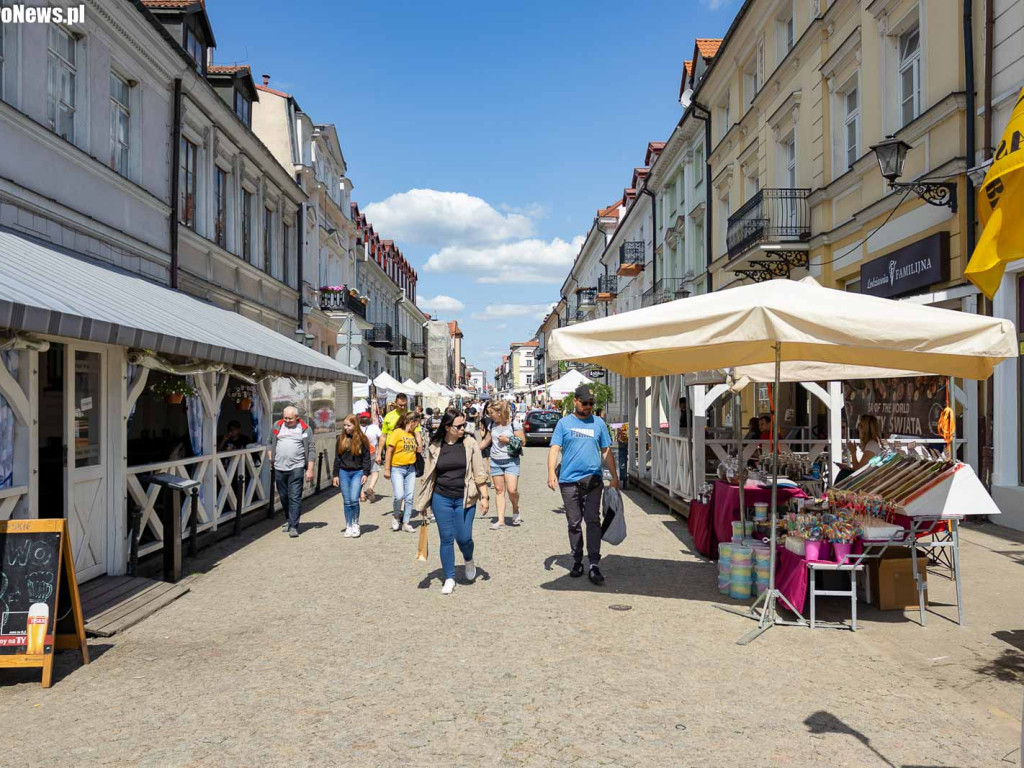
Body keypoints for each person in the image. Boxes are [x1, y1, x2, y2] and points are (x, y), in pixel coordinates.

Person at [547, 384, 619, 584]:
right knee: (573, 522)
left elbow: (605, 450)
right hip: (569, 481)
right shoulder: (564, 424)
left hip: (593, 480)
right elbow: (554, 449)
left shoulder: (599, 424)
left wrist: (614, 476)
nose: (588, 406)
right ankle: (577, 560)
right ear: (576, 401)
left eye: (591, 403)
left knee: (593, 521)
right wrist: (551, 472)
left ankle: (594, 564)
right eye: (585, 403)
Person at [414, 411, 489, 595]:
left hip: (465, 497)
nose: (463, 429)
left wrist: (485, 496)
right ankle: (449, 577)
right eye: (459, 426)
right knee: (446, 537)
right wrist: (424, 503)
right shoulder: (435, 446)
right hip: (441, 497)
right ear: (447, 427)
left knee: (464, 537)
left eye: (464, 425)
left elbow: (479, 472)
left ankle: (468, 559)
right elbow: (428, 475)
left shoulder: (470, 444)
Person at [269, 406, 315, 538]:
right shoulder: (277, 426)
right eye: (285, 418)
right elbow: (269, 442)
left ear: (297, 418)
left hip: (297, 467)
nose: (287, 421)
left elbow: (311, 449)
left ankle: (294, 525)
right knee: (284, 496)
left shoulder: (305, 428)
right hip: (279, 467)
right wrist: (270, 457)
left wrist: (310, 469)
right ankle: (289, 520)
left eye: (290, 418)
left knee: (294, 496)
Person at [482, 400, 525, 529]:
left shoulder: (513, 424)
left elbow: (523, 441)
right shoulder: (492, 425)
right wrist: (472, 449)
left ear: (500, 412)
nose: (490, 416)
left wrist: (508, 440)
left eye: (492, 413)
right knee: (499, 490)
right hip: (495, 461)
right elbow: (486, 440)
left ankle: (515, 509)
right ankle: (500, 520)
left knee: (512, 490)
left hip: (511, 460)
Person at [332, 415, 372, 538]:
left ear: (355, 425)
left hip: (357, 472)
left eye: (348, 425)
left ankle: (355, 523)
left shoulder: (362, 439)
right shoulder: (341, 439)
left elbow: (366, 458)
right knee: (347, 501)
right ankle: (348, 525)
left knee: (354, 499)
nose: (346, 428)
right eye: (344, 425)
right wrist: (335, 475)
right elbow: (337, 458)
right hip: (344, 472)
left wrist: (365, 473)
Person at [384, 411, 422, 532]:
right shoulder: (397, 432)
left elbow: (412, 449)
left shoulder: (411, 435)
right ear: (412, 422)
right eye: (417, 423)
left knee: (409, 497)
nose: (417, 426)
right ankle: (396, 515)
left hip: (410, 468)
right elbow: (389, 451)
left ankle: (406, 522)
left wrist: (418, 448)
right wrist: (387, 469)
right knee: (399, 495)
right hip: (397, 468)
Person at [838, 414, 883, 480]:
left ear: (863, 428)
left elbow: (858, 471)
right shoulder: (872, 444)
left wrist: (853, 452)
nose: (858, 429)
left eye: (859, 426)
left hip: (869, 481)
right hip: (868, 478)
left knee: (843, 474)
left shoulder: (871, 446)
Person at [359, 412, 382, 503]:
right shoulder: (374, 427)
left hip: (360, 454)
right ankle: (370, 487)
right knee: (375, 472)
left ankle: (362, 495)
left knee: (361, 474)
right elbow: (381, 437)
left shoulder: (357, 428)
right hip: (372, 453)